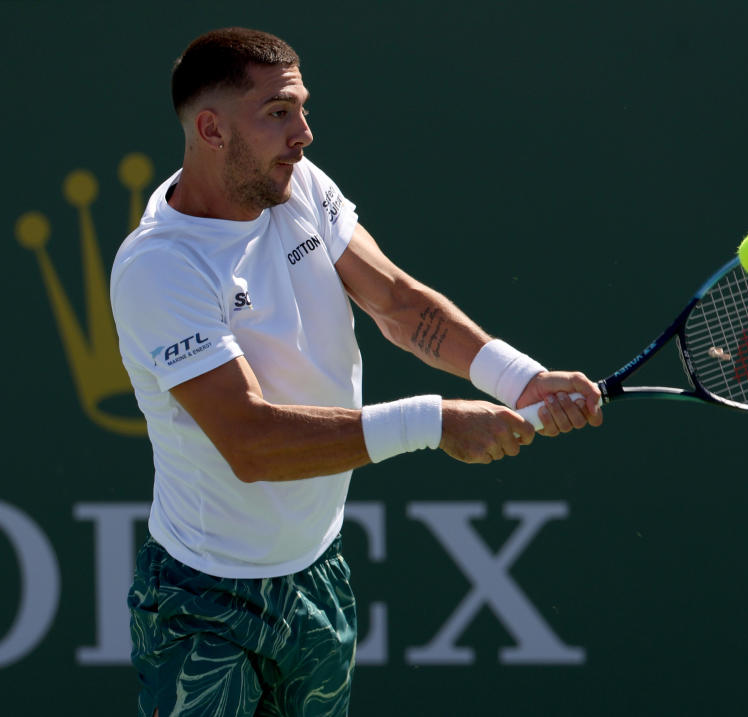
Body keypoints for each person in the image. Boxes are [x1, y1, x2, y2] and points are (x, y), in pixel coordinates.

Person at [110, 27, 602, 717]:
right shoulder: (160, 266)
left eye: (303, 108)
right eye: (278, 112)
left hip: (318, 576)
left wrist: (518, 378)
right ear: (212, 128)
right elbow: (250, 442)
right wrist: (432, 422)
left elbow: (397, 302)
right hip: (204, 602)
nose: (303, 132)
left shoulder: (300, 186)